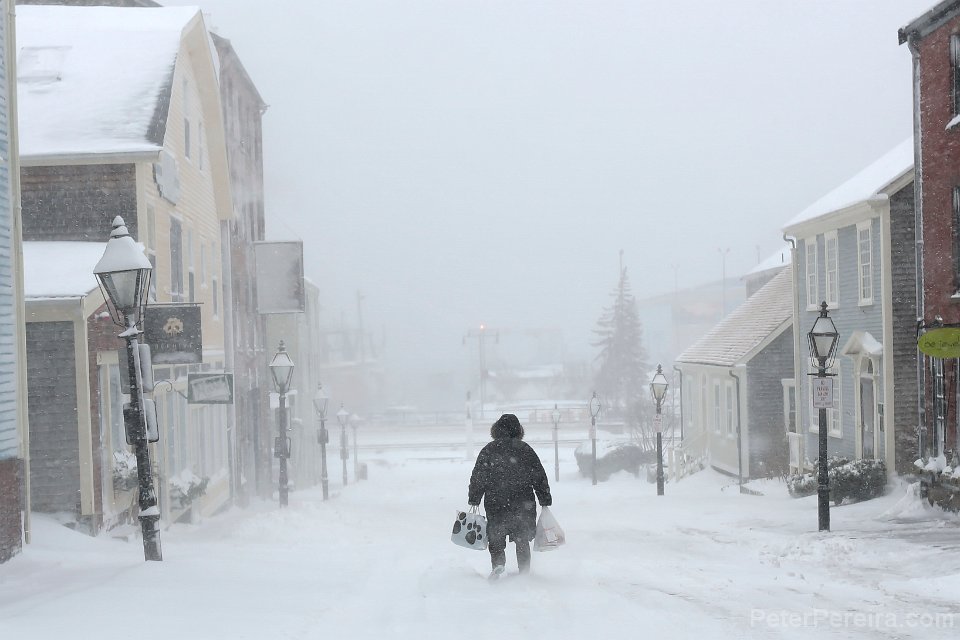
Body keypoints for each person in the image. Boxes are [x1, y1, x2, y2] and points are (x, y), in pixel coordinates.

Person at [468, 413, 552, 579]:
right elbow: (539, 476)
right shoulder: (525, 449)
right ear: (518, 430)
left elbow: (478, 476)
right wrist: (544, 498)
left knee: (496, 537)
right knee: (522, 539)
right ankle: (524, 572)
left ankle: (498, 565)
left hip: (496, 501)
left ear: (496, 429)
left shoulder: (489, 450)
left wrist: (474, 498)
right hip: (523, 502)